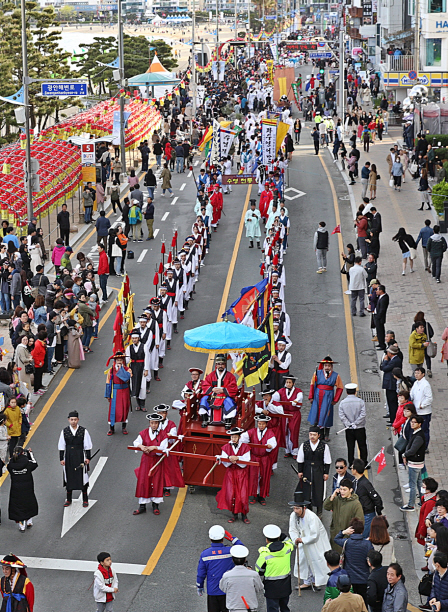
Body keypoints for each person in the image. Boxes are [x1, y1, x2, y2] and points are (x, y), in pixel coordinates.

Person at [196, 525, 245, 612]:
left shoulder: (205, 554)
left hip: (213, 591)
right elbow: (242, 549)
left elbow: (201, 573)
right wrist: (233, 539)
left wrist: (199, 585)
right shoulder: (230, 551)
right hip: (229, 590)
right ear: (223, 538)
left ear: (210, 539)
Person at [288, 491, 331, 590]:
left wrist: (302, 539)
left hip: (315, 542)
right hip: (302, 540)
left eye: (297, 508)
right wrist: (296, 539)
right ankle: (307, 581)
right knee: (303, 560)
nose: (295, 510)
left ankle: (317, 581)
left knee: (315, 560)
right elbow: (292, 529)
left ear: (304, 508)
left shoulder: (312, 517)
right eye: (294, 508)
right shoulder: (293, 516)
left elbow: (315, 535)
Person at [132, 413, 168, 516]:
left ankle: (155, 505)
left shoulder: (163, 434)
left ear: (158, 424)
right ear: (149, 423)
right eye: (152, 423)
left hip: (157, 461)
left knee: (156, 481)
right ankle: (142, 506)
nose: (154, 425)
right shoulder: (143, 433)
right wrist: (141, 446)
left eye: (156, 423)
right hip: (146, 461)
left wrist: (154, 447)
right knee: (144, 481)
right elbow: (136, 442)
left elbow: (164, 447)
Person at [58, 410, 93, 508]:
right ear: (68, 420)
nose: (73, 421)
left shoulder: (83, 431)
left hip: (80, 455)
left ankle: (85, 500)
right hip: (68, 456)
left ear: (78, 420)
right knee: (69, 476)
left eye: (75, 419)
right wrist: (61, 458)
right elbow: (61, 446)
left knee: (82, 477)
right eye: (71, 419)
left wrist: (88, 458)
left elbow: (87, 445)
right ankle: (69, 499)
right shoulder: (64, 431)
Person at [216, 427, 251, 524]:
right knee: (231, 494)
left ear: (239, 437)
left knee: (243, 495)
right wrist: (229, 458)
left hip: (241, 473)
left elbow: (246, 460)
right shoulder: (226, 447)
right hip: (230, 473)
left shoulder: (245, 447)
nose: (233, 439)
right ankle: (234, 514)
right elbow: (224, 459)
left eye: (235, 437)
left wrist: (237, 458)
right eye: (232, 437)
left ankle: (244, 515)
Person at [255, 524, 294, 612]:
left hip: (271, 588)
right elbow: (290, 541)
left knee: (272, 609)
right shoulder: (288, 547)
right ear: (279, 537)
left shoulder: (265, 554)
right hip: (285, 585)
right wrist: (281, 535)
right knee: (284, 607)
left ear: (267, 540)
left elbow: (259, 570)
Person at [240, 414, 277, 506]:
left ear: (266, 424)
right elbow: (242, 438)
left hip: (265, 458)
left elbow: (273, 442)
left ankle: (262, 496)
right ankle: (254, 495)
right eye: (259, 424)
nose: (261, 426)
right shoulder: (252, 432)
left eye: (263, 424)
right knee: (253, 476)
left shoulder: (270, 433)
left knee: (264, 476)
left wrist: (270, 446)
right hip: (254, 458)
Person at [334, 517, 373, 601]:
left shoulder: (347, 542)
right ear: (362, 531)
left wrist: (344, 532)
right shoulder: (367, 544)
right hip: (364, 578)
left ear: (351, 530)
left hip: (349, 579)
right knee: (362, 603)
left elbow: (336, 539)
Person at [296, 427, 331, 517]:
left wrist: (326, 472)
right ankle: (308, 508)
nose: (312, 436)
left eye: (314, 435)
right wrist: (300, 471)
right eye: (310, 434)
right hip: (307, 469)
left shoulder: (324, 446)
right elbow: (300, 459)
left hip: (318, 470)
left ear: (319, 435)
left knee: (318, 489)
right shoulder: (304, 445)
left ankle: (319, 509)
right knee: (307, 489)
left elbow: (327, 461)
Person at [308, 356, 344, 441]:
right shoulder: (317, 373)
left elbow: (340, 387)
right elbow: (312, 385)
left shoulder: (336, 375)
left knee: (327, 414)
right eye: (325, 365)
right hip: (318, 396)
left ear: (331, 366)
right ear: (323, 366)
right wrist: (311, 397)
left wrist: (335, 399)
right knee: (317, 414)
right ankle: (319, 433)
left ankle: (327, 433)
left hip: (328, 397)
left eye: (329, 366)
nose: (327, 367)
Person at [219, 545, 264, 612]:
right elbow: (259, 588)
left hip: (233, 608)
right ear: (245, 560)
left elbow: (223, 588)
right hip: (250, 608)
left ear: (233, 560)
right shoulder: (253, 574)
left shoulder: (227, 575)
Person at [324, 477, 364, 551]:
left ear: (351, 490)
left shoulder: (356, 504)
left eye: (344, 490)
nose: (342, 492)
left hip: (347, 538)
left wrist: (351, 534)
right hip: (335, 535)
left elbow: (359, 522)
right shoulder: (336, 499)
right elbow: (326, 507)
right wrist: (332, 496)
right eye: (341, 489)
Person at [199, 354, 238, 427]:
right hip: (213, 395)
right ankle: (205, 419)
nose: (220, 366)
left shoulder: (230, 376)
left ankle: (228, 421)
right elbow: (205, 385)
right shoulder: (211, 375)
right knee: (204, 399)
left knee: (229, 401)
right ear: (216, 365)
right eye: (219, 364)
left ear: (225, 365)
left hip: (225, 395)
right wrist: (212, 389)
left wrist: (223, 390)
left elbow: (233, 387)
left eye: (222, 364)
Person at [7, 445, 38, 533]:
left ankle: (21, 525)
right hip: (27, 487)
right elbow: (35, 464)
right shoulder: (27, 463)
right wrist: (30, 453)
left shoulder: (11, 465)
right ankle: (29, 521)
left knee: (18, 505)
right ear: (23, 453)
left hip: (16, 488)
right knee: (29, 503)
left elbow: (10, 464)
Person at [272, 375, 302, 458]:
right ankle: (287, 450)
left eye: (290, 382)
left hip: (294, 414)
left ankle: (295, 452)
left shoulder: (298, 391)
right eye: (287, 382)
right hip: (284, 414)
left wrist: (295, 400)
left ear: (293, 383)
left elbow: (300, 397)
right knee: (284, 432)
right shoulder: (281, 391)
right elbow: (274, 398)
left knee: (293, 432)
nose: (288, 384)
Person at [351, 459, 383, 537]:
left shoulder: (365, 484)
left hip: (367, 515)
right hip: (360, 514)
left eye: (352, 468)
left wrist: (379, 512)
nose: (351, 469)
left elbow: (377, 498)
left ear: (355, 470)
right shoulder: (356, 482)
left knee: (363, 537)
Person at [400, 414, 426, 511]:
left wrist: (404, 455)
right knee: (419, 483)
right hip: (417, 463)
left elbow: (412, 450)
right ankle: (422, 501)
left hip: (415, 463)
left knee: (412, 484)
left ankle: (411, 505)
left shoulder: (419, 436)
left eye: (414, 422)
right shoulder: (416, 433)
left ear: (419, 424)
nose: (412, 423)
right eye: (411, 422)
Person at [338, 383, 368, 467]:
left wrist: (349, 424)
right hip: (360, 428)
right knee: (362, 446)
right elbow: (363, 414)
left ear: (347, 392)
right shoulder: (360, 401)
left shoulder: (343, 403)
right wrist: (356, 423)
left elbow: (342, 415)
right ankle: (364, 463)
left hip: (348, 429)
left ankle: (351, 463)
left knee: (350, 446)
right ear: (355, 392)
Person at [105, 351, 131, 435]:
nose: (119, 362)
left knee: (124, 408)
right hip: (115, 391)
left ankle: (124, 427)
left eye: (120, 360)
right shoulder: (111, 370)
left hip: (125, 390)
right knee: (113, 410)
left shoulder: (128, 369)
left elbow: (126, 378)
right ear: (115, 361)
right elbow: (108, 382)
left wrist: (121, 369)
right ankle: (111, 428)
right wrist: (108, 395)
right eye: (117, 360)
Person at [126, 332, 150, 412]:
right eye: (133, 338)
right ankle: (138, 404)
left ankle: (142, 404)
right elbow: (127, 359)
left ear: (138, 338)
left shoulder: (144, 346)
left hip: (142, 367)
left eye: (135, 338)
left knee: (142, 386)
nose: (134, 340)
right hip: (133, 367)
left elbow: (147, 358)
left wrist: (146, 369)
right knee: (134, 384)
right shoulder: (129, 348)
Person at [410, 366, 433, 448]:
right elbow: (412, 394)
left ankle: (425, 446)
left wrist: (422, 405)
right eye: (415, 373)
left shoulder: (426, 385)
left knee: (424, 430)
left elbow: (429, 398)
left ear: (423, 374)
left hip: (424, 412)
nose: (416, 375)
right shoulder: (416, 383)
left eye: (418, 373)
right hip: (417, 411)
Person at [380, 345, 402, 423]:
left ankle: (394, 420)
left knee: (392, 402)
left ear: (391, 353)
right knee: (390, 402)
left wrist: (385, 361)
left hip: (391, 384)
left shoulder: (395, 361)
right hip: (389, 384)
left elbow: (385, 368)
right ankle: (392, 418)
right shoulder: (392, 359)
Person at [416, 477, 439, 546]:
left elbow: (426, 518)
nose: (422, 488)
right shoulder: (427, 498)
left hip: (426, 531)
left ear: (429, 489)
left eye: (423, 486)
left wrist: (422, 532)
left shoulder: (430, 503)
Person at [374, 285, 389, 351]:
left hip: (380, 318)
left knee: (380, 331)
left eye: (377, 290)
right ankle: (380, 343)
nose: (376, 291)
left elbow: (382, 310)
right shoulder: (381, 296)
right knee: (379, 330)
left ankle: (382, 345)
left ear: (381, 291)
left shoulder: (384, 298)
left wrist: (378, 316)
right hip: (377, 316)